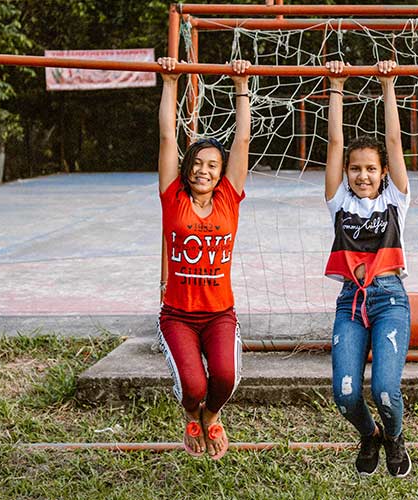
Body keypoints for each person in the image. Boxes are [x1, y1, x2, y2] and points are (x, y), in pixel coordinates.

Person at [156, 56, 251, 459]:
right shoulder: (172, 196)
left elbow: (243, 141)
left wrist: (241, 86)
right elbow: (165, 139)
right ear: (186, 168)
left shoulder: (229, 197)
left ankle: (211, 417)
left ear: (222, 171)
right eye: (196, 163)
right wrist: (170, 82)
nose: (203, 170)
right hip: (177, 314)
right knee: (193, 386)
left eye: (212, 165)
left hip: (218, 313)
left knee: (225, 380)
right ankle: (193, 415)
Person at [324, 59, 412, 477]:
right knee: (345, 393)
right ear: (347, 175)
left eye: (370, 169)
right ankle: (369, 434)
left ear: (383, 175)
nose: (363, 175)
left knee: (386, 391)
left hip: (390, 299)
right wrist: (337, 86)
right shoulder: (339, 202)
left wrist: (388, 85)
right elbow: (334, 144)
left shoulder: (395, 201)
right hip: (350, 303)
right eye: (356, 169)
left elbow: (394, 142)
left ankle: (393, 438)